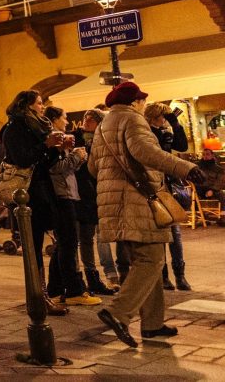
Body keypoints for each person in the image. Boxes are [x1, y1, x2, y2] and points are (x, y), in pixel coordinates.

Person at [90, 82, 206, 348]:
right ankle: (118, 313)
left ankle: (152, 324)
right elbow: (146, 152)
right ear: (135, 101)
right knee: (151, 260)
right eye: (142, 100)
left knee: (144, 261)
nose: (143, 105)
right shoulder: (133, 120)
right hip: (138, 201)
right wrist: (185, 168)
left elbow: (93, 167)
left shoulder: (103, 126)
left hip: (114, 205)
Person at [1, 90, 68, 316]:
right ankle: (39, 298)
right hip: (27, 195)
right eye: (39, 103)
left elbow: (44, 162)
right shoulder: (14, 128)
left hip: (41, 192)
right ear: (27, 105)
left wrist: (58, 148)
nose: (42, 107)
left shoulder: (38, 126)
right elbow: (22, 159)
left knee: (40, 244)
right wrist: (45, 145)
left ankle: (43, 295)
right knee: (33, 247)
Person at [44, 106, 101, 306]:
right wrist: (76, 157)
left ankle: (55, 288)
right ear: (55, 119)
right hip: (61, 195)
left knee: (64, 245)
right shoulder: (52, 139)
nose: (67, 122)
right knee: (67, 243)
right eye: (64, 117)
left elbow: (65, 168)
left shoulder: (60, 138)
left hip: (68, 193)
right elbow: (55, 168)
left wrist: (78, 158)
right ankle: (73, 290)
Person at [144, 102, 191, 291]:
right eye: (163, 117)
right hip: (155, 187)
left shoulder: (166, 132)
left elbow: (182, 146)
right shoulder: (148, 134)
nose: (164, 121)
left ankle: (180, 275)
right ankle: (164, 276)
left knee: (175, 233)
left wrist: (175, 124)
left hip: (169, 186)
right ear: (155, 117)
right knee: (163, 233)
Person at [73, 109, 117, 296]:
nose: (86, 121)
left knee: (87, 237)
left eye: (91, 119)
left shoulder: (102, 139)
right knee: (74, 239)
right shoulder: (74, 138)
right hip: (76, 193)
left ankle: (92, 277)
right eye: (85, 118)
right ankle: (76, 279)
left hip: (94, 194)